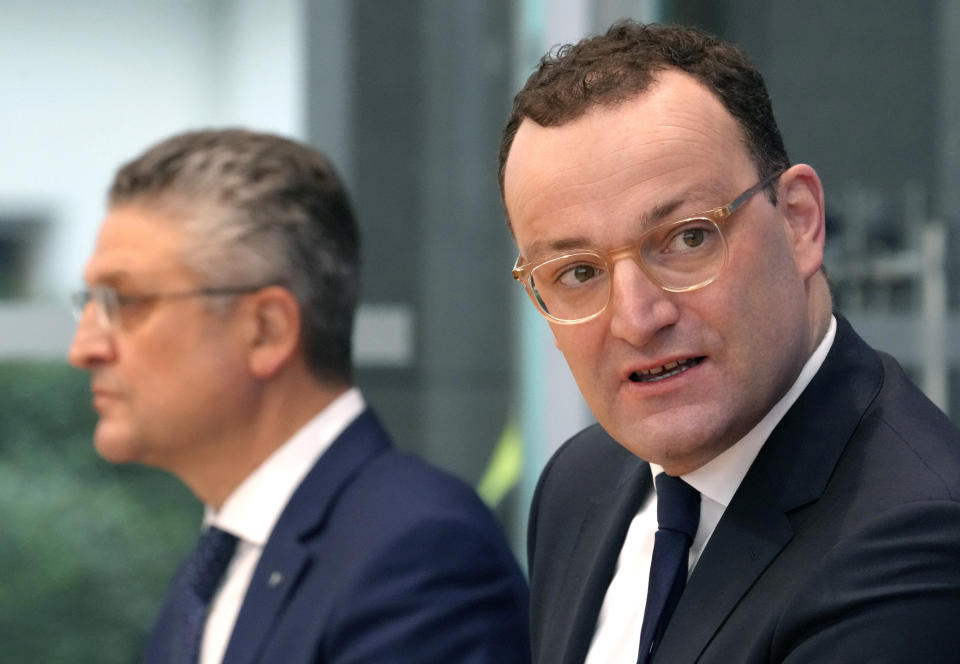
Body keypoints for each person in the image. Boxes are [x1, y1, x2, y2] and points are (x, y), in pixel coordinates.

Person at [499, 20, 960, 664]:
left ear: (799, 221)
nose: (637, 317)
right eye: (577, 273)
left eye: (687, 238)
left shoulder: (915, 540)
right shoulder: (579, 483)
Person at [69, 128, 530, 663]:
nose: (84, 348)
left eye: (126, 301)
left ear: (265, 330)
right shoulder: (212, 567)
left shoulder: (418, 553)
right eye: (90, 302)